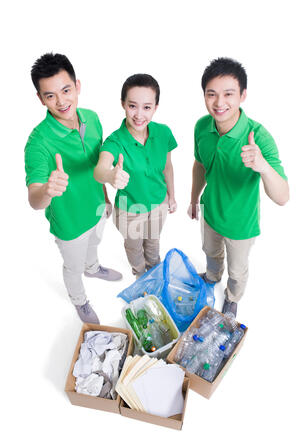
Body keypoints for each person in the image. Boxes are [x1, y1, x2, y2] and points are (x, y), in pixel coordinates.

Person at [25, 52, 122, 324]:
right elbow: (34, 199)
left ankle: (93, 267)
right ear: (41, 99)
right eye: (50, 96)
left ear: (77, 86)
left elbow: (97, 163)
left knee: (96, 243)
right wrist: (47, 190)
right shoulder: (38, 143)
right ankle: (79, 300)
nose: (61, 101)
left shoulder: (92, 119)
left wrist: (105, 197)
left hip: (97, 208)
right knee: (72, 266)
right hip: (69, 224)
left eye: (66, 90)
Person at [188, 57, 289, 317]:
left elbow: (283, 197)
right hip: (210, 212)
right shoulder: (202, 126)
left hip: (241, 226)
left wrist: (263, 166)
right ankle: (211, 276)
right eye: (212, 94)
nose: (219, 103)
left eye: (228, 94)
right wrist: (193, 198)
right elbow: (199, 165)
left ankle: (232, 297)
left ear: (243, 95)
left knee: (237, 271)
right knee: (210, 252)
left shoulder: (259, 137)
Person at [94, 74, 177, 278]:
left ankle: (155, 269)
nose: (139, 114)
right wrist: (110, 175)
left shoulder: (163, 132)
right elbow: (99, 169)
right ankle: (140, 274)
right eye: (132, 106)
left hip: (159, 203)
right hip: (130, 210)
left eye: (147, 107)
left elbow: (167, 167)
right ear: (123, 104)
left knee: (153, 241)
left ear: (155, 107)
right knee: (134, 246)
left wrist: (172, 196)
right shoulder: (115, 141)